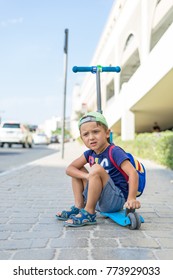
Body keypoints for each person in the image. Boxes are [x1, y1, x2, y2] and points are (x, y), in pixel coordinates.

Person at [56, 112, 141, 227]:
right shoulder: (89, 154)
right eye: (86, 134)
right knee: (77, 170)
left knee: (95, 169)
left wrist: (131, 198)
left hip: (115, 200)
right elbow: (69, 169)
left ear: (107, 133)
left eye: (95, 132)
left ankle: (89, 213)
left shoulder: (114, 151)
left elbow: (133, 173)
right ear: (82, 139)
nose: (91, 137)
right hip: (97, 198)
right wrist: (87, 176)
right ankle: (79, 206)